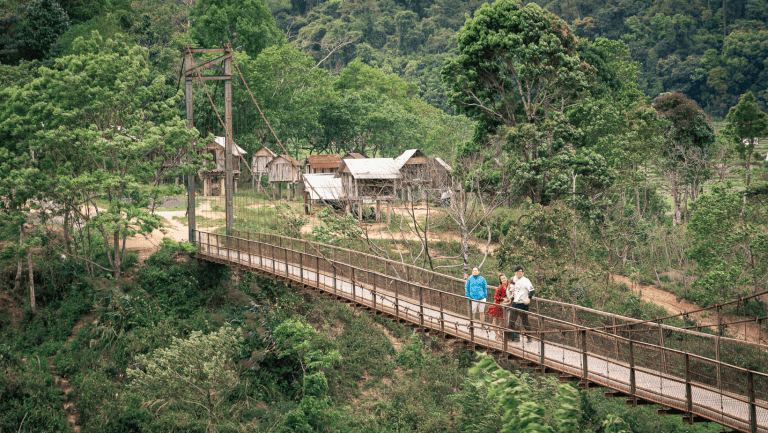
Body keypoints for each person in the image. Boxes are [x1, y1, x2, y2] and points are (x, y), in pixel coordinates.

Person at [508, 266, 535, 343]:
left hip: (523, 304)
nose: (518, 273)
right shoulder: (514, 279)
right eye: (516, 272)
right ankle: (510, 337)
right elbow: (513, 288)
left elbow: (532, 291)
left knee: (525, 321)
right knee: (511, 320)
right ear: (515, 273)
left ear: (522, 272)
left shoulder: (526, 280)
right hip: (515, 302)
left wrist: (529, 298)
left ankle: (529, 337)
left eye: (520, 272)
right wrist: (512, 293)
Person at [486, 274, 510, 341]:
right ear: (500, 281)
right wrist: (503, 299)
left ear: (506, 278)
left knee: (502, 321)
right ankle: (496, 335)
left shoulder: (509, 285)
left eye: (504, 278)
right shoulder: (500, 288)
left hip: (504, 306)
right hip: (498, 305)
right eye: (502, 279)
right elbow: (496, 297)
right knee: (495, 320)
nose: (504, 280)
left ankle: (500, 334)